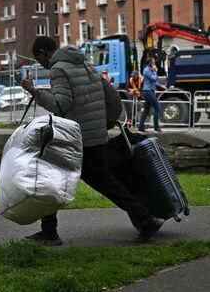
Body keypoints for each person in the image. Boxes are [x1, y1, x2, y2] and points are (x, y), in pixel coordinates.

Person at [20, 37, 164, 245]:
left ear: (44, 53)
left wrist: (35, 92)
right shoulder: (85, 63)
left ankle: (50, 233)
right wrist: (108, 121)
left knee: (52, 178)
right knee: (103, 180)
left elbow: (61, 105)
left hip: (79, 137)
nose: (41, 64)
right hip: (96, 134)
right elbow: (112, 96)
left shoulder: (58, 69)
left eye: (39, 59)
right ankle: (144, 218)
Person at [139, 58, 166, 133]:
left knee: (146, 110)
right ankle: (156, 127)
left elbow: (154, 82)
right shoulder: (147, 70)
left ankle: (140, 127)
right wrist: (155, 71)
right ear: (150, 63)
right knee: (157, 108)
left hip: (148, 92)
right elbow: (154, 78)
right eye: (153, 62)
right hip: (148, 92)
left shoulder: (149, 70)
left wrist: (161, 86)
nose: (155, 64)